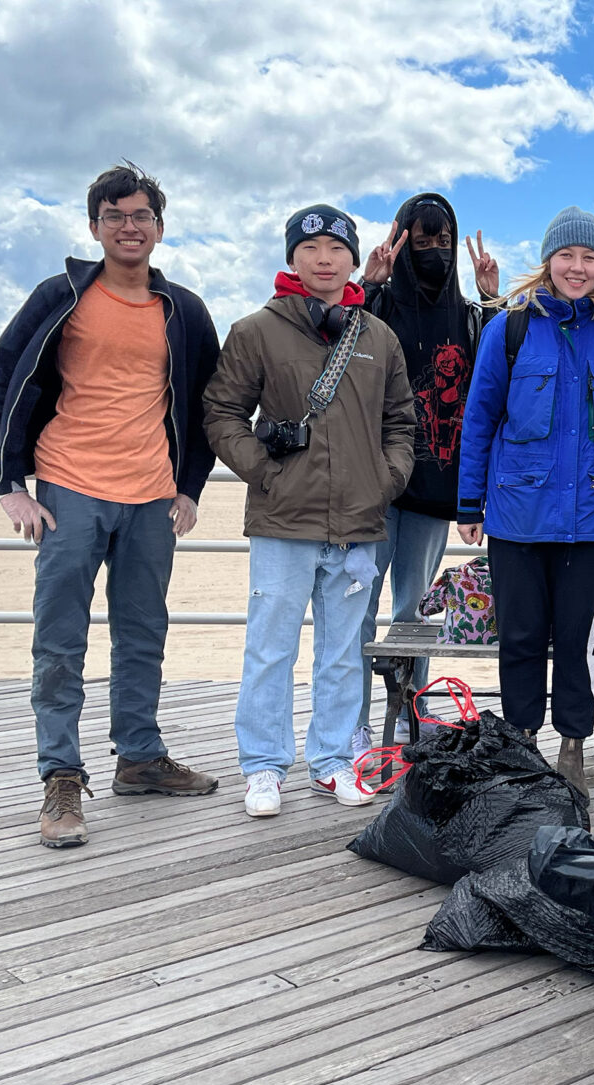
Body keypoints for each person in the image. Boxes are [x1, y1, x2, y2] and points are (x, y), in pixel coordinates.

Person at [0, 162, 221, 850]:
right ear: (94, 227)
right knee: (59, 639)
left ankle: (139, 758)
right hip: (68, 488)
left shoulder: (184, 310)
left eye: (141, 215)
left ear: (159, 227)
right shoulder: (59, 295)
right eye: (114, 216)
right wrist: (9, 484)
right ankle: (60, 776)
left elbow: (206, 405)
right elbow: (3, 379)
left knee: (144, 632)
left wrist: (189, 487)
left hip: (151, 497)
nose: (128, 226)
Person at [204, 204, 415, 817]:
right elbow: (222, 415)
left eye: (336, 248)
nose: (324, 259)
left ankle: (332, 762)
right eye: (310, 247)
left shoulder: (378, 336)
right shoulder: (255, 331)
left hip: (358, 521)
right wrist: (266, 471)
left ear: (354, 258)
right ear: (291, 256)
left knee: (344, 651)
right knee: (270, 648)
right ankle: (264, 767)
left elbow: (401, 422)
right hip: (282, 521)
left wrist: (387, 478)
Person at [456, 207, 594, 795]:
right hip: (516, 514)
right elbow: (479, 417)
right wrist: (469, 503)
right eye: (567, 257)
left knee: (580, 642)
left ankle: (574, 749)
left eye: (589, 258)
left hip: (593, 517)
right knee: (523, 637)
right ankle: (524, 745)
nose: (577, 268)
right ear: (548, 262)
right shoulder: (507, 329)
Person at [354, 192, 498, 747]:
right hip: (373, 485)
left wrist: (489, 300)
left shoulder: (464, 314)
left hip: (434, 487)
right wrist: (368, 286)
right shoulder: (382, 306)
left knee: (411, 611)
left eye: (443, 241)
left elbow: (492, 374)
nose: (434, 251)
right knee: (358, 611)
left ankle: (411, 717)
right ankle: (355, 724)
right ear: (402, 242)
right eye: (422, 240)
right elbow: (337, 346)